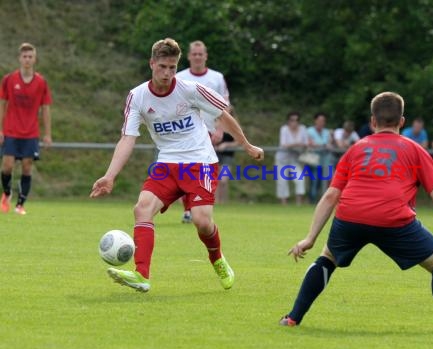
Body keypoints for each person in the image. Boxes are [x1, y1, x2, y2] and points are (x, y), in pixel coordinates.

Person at [279, 92, 433, 333]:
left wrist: (310, 238)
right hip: (393, 219)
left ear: (373, 121)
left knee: (327, 258)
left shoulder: (356, 149)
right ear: (402, 122)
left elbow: (332, 195)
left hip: (350, 216)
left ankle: (292, 318)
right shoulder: (414, 149)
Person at [90, 38, 263, 292]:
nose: (167, 73)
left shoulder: (190, 90)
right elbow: (127, 138)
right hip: (167, 163)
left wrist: (247, 145)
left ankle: (217, 258)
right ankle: (141, 275)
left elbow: (223, 116)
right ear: (151, 64)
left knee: (202, 221)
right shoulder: (137, 97)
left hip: (200, 162)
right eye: (162, 67)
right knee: (142, 208)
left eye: (172, 67)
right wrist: (109, 176)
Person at [177, 40, 230, 222]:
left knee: (202, 172)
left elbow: (225, 107)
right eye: (195, 54)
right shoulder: (180, 76)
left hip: (208, 131)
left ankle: (198, 207)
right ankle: (188, 209)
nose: (198, 57)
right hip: (186, 132)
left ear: (205, 56)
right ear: (189, 56)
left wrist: (220, 129)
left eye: (201, 54)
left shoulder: (216, 78)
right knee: (184, 171)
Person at [0, 43, 52, 215]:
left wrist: (47, 134)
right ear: (19, 59)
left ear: (35, 59)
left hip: (30, 132)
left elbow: (45, 108)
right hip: (11, 130)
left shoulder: (41, 82)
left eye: (30, 56)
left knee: (27, 166)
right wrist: (0, 129)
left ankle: (20, 205)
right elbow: (3, 104)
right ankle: (6, 194)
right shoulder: (9, 80)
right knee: (7, 166)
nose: (27, 59)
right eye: (25, 56)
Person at [275, 111, 308, 205]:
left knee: (300, 179)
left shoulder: (303, 129)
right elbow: (284, 144)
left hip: (295, 159)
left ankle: (299, 203)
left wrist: (298, 145)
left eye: (296, 120)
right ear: (288, 121)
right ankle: (284, 203)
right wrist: (297, 144)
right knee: (282, 180)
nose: (294, 122)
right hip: (282, 159)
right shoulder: (284, 129)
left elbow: (305, 144)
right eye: (292, 120)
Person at [306, 112, 333, 203]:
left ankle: (324, 200)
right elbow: (310, 143)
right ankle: (312, 199)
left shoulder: (326, 132)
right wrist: (323, 145)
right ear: (315, 121)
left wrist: (322, 145)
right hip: (314, 159)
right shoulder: (309, 131)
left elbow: (329, 144)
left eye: (323, 121)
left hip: (325, 158)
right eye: (320, 120)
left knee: (326, 178)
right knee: (314, 179)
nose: (321, 122)